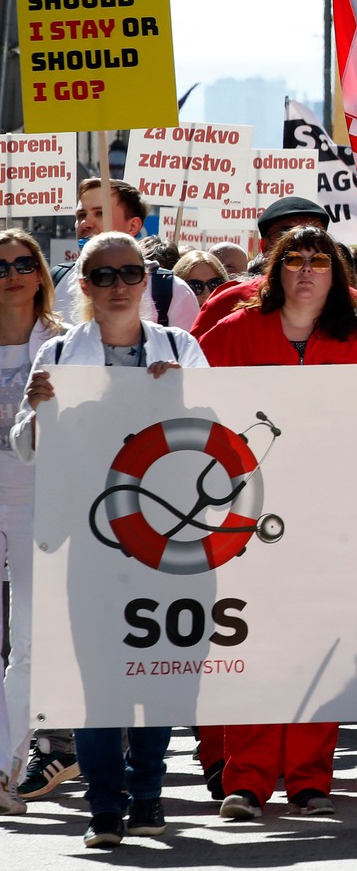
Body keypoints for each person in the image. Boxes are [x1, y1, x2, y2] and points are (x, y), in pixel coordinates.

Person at [11, 232, 206, 848]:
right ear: (85, 287)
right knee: (96, 678)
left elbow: (218, 432)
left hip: (167, 536)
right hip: (88, 541)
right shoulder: (63, 353)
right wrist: (39, 411)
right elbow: (25, 447)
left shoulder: (182, 346)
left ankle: (148, 796)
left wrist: (186, 391)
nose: (119, 285)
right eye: (103, 275)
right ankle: (104, 807)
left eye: (129, 272)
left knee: (160, 671)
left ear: (145, 280)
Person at [201, 226, 357, 819]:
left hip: (334, 513)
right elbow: (196, 411)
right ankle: (246, 779)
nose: (306, 270)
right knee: (256, 644)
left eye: (319, 261)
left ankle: (310, 777)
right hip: (246, 513)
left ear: (337, 274)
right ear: (276, 270)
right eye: (294, 260)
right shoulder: (233, 333)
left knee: (317, 642)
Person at [0, 231, 64, 815]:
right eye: (2, 266)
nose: (14, 273)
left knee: (27, 644)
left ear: (42, 272)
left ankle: (5, 767)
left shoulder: (67, 345)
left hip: (40, 500)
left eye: (26, 262)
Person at [191, 196, 357, 339]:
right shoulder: (227, 303)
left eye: (314, 234)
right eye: (286, 234)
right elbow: (194, 368)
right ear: (264, 247)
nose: (301, 242)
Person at [50, 179, 199, 331]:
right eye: (81, 215)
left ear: (133, 226)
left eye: (100, 213)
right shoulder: (54, 284)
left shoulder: (174, 292)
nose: (85, 223)